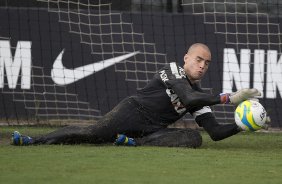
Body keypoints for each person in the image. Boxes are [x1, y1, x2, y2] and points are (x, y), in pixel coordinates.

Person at [11, 43, 261, 148]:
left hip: (152, 130)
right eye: (198, 60)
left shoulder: (199, 93)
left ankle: (132, 143)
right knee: (91, 135)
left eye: (207, 63)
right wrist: (228, 98)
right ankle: (33, 140)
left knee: (195, 138)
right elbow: (189, 99)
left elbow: (215, 133)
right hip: (132, 113)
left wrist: (243, 125)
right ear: (186, 59)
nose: (202, 66)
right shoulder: (173, 70)